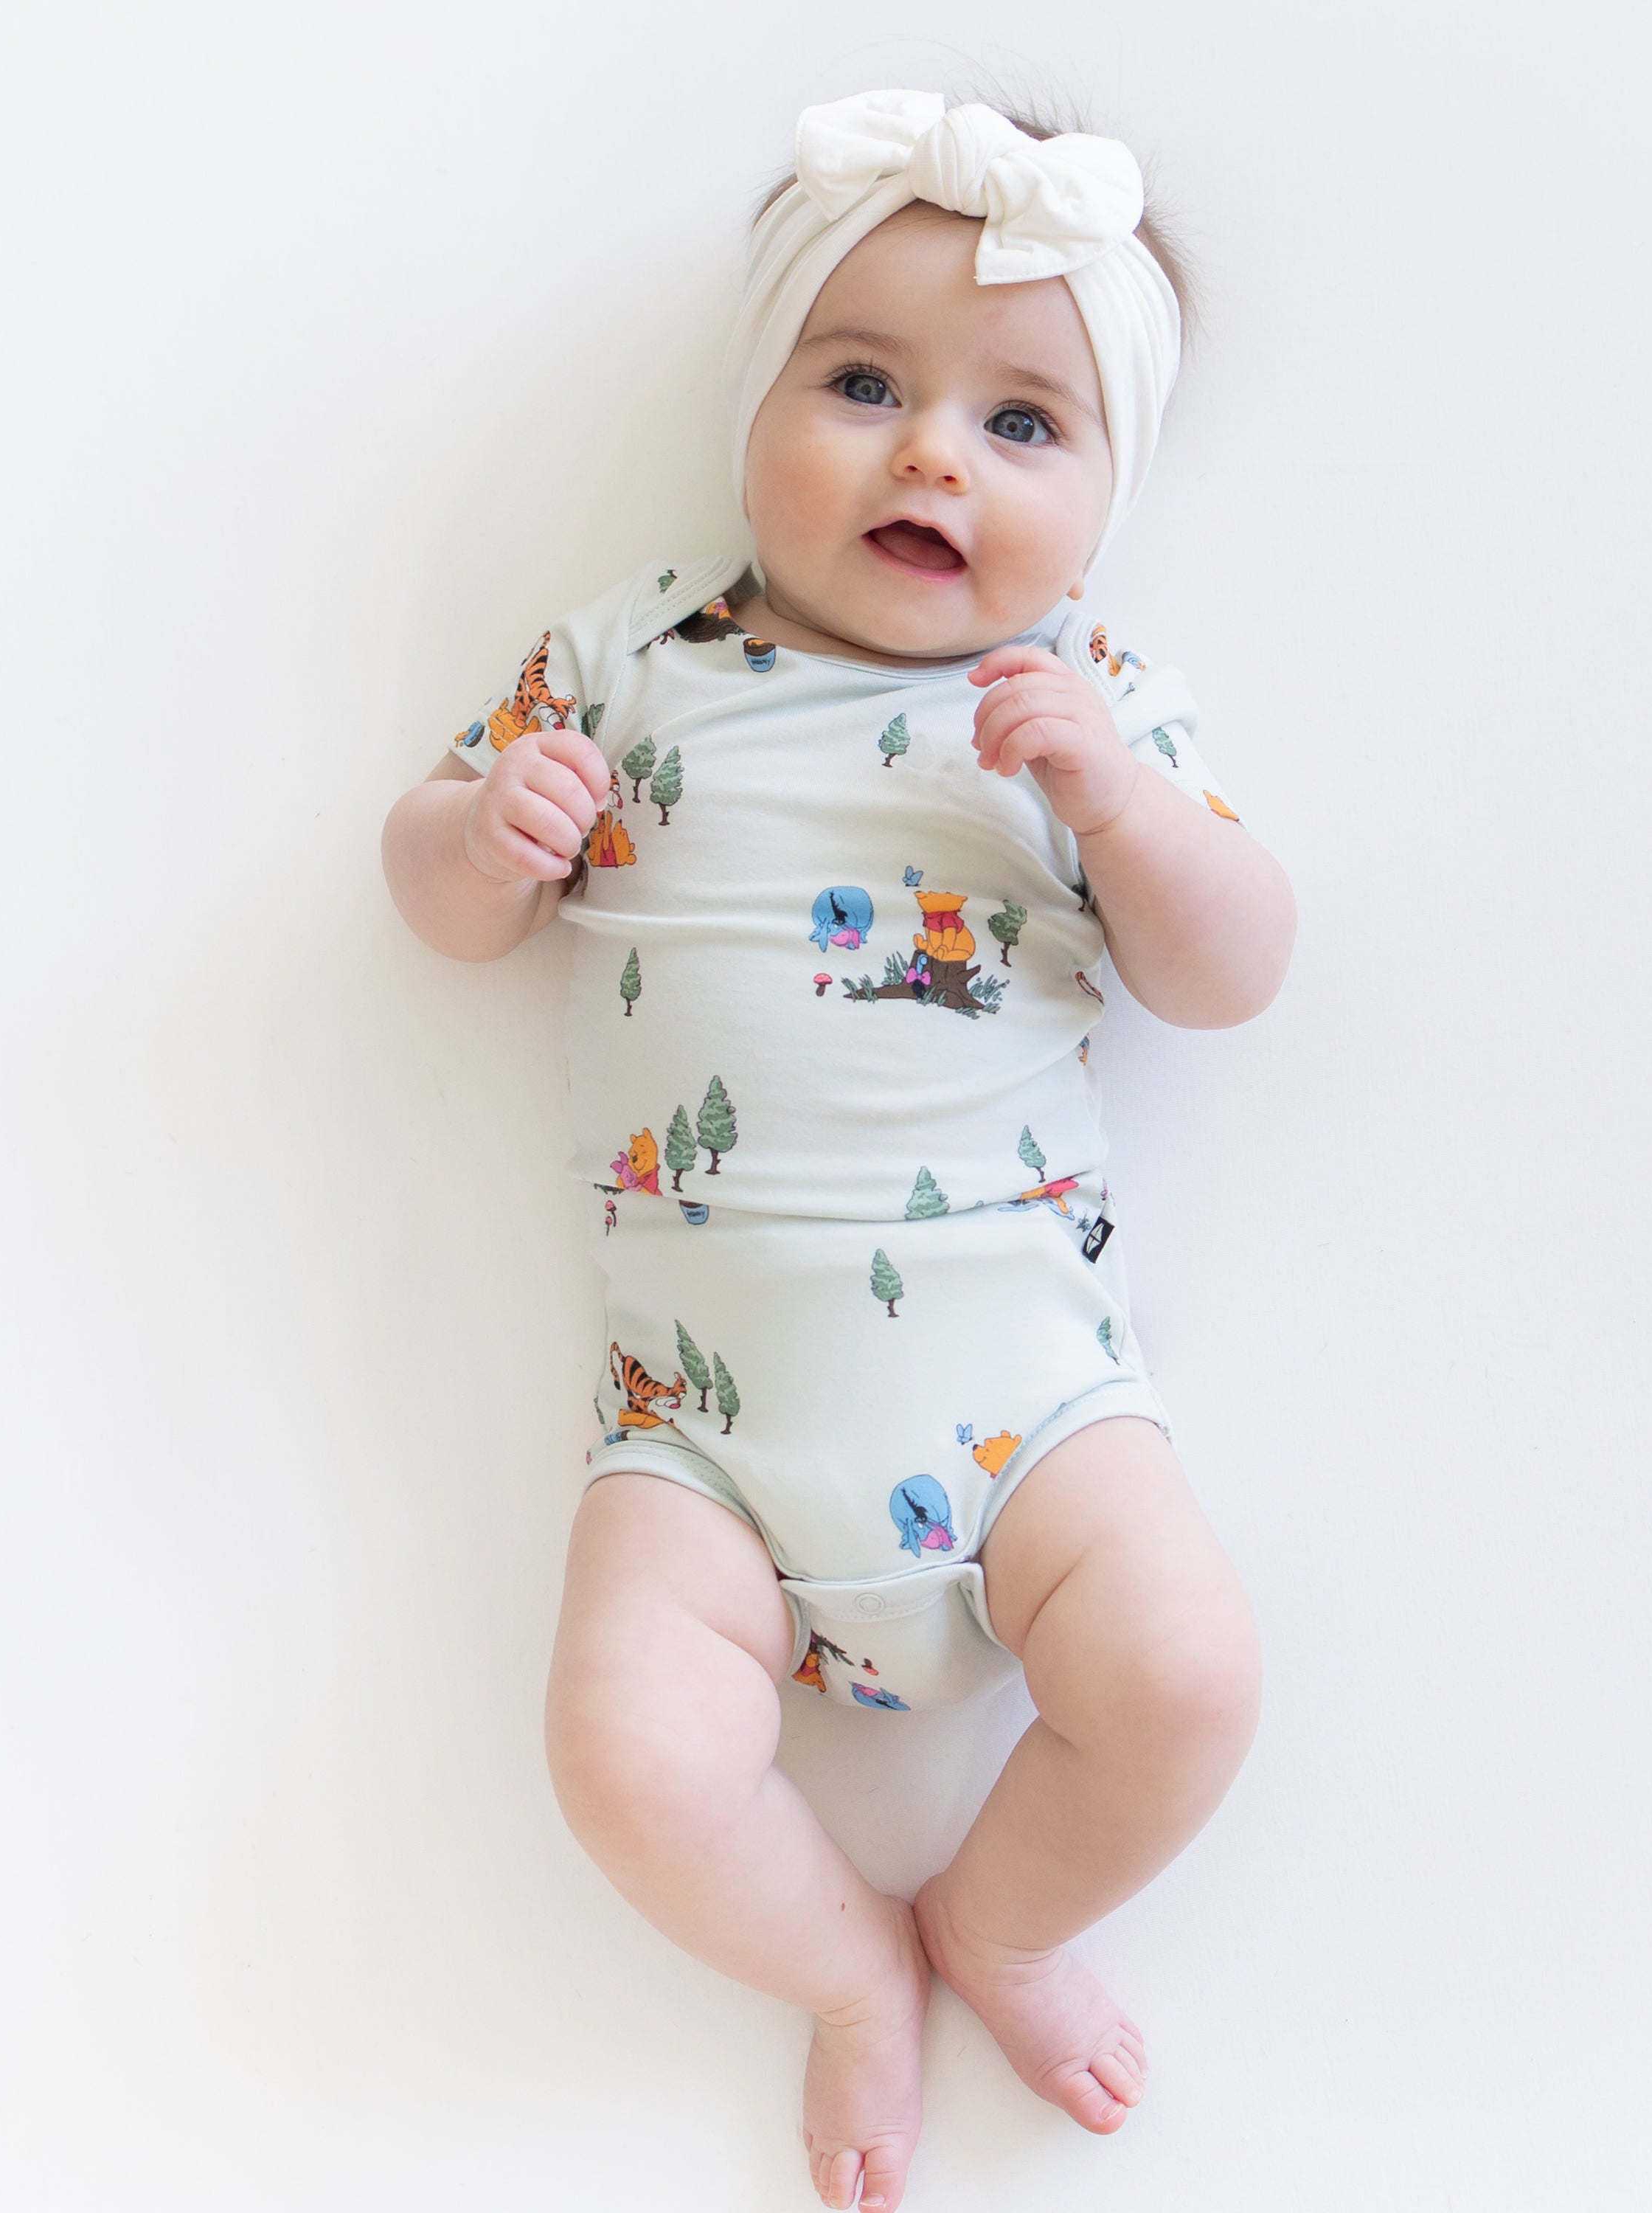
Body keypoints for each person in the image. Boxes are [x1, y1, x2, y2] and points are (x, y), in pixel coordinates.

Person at [381, 89, 1297, 2213]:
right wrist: (480, 837)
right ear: (761, 396)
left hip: (1031, 1416)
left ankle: (1000, 1920)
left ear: (1104, 506)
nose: (926, 454)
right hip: (697, 1439)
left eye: (1021, 424)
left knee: (1187, 1676)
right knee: (625, 1757)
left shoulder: (1088, 698)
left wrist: (1125, 811)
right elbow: (429, 892)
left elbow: (1237, 968)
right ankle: (849, 1977)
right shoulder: (632, 656)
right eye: (864, 381)